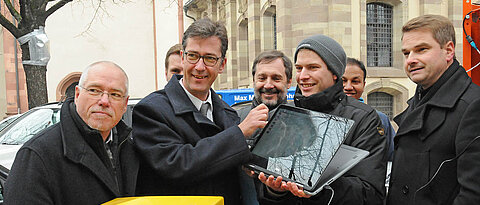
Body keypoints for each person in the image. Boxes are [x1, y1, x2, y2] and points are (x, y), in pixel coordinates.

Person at [132, 18, 268, 205]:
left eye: (210, 58)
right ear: (182, 57)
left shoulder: (228, 113)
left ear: (222, 64)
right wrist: (239, 134)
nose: (200, 66)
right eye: (193, 56)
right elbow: (178, 165)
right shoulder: (151, 110)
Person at [258, 34, 388, 205]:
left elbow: (370, 195)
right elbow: (265, 186)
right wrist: (274, 191)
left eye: (312, 67)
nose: (302, 76)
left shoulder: (364, 119)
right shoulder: (285, 114)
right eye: (299, 68)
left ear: (335, 73)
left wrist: (317, 189)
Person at [4, 61, 138, 204]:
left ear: (125, 104)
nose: (104, 101)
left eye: (115, 94)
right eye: (94, 90)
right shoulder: (38, 155)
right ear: (77, 94)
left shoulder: (133, 151)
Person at [387, 15, 480, 205]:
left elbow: (473, 195)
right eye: (406, 53)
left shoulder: (472, 106)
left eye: (421, 49)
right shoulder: (420, 99)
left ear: (448, 51)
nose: (411, 60)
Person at [342, 57, 395, 161]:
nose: (348, 87)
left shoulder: (380, 119)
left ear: (363, 85)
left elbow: (392, 157)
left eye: (355, 81)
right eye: (343, 81)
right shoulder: (324, 115)